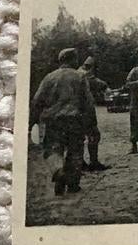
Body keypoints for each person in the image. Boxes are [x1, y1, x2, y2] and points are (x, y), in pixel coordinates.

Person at [29, 48, 94, 195]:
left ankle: (58, 171)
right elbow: (88, 102)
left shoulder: (49, 77)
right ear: (72, 59)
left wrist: (33, 121)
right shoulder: (80, 77)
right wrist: (91, 124)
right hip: (75, 120)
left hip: (53, 122)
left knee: (52, 150)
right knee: (75, 152)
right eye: (76, 58)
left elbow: (37, 100)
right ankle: (73, 185)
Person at [78, 56, 109, 171]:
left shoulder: (78, 72)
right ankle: (93, 162)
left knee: (80, 137)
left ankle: (81, 162)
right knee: (94, 135)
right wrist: (105, 86)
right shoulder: (84, 74)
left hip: (77, 109)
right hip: (85, 109)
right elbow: (95, 82)